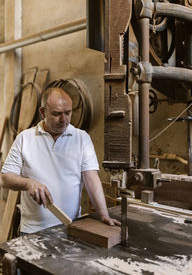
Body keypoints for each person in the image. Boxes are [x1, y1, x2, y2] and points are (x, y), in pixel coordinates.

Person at [1, 87, 120, 234]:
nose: (63, 119)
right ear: (43, 112)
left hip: (71, 226)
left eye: (68, 113)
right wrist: (28, 183)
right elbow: (5, 179)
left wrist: (103, 215)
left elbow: (91, 179)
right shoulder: (25, 138)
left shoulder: (81, 138)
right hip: (33, 229)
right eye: (57, 114)